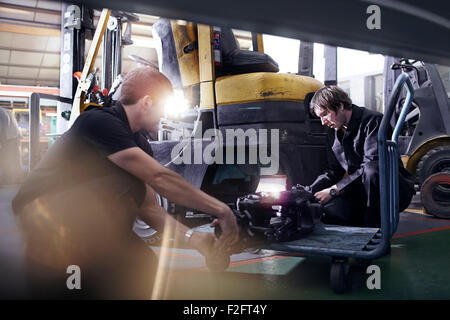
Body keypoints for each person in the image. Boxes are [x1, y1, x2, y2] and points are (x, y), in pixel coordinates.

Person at [12, 67, 239, 299]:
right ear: (148, 102)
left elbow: (150, 208)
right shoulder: (97, 122)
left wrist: (196, 239)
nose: (165, 116)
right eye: (163, 107)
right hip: (51, 222)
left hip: (90, 229)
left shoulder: (140, 145)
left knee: (143, 267)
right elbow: (159, 178)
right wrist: (221, 210)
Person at [307, 86, 415, 228]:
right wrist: (308, 191)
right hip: (360, 190)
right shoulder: (333, 131)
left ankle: (375, 230)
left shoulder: (374, 121)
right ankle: (364, 221)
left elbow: (373, 166)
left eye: (325, 114)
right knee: (330, 213)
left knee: (372, 169)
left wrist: (334, 190)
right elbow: (332, 172)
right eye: (320, 117)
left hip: (391, 189)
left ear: (340, 106)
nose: (323, 122)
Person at [0, 106, 22, 185]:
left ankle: (7, 179)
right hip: (15, 136)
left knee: (6, 158)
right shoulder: (6, 111)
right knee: (15, 158)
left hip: (9, 138)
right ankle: (17, 179)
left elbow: (0, 128)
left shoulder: (1, 112)